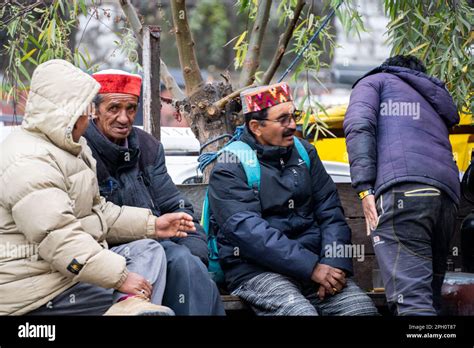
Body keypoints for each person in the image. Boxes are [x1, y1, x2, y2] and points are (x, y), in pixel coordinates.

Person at [0, 59, 197, 316]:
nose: (88, 118)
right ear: (68, 112)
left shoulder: (69, 148)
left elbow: (97, 212)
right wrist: (120, 277)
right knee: (144, 284)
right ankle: (127, 306)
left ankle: (129, 305)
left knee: (148, 250)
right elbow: (59, 239)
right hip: (39, 293)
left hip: (67, 275)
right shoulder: (29, 160)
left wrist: (152, 225)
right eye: (85, 110)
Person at [207, 82, 378, 316]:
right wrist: (310, 268)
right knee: (300, 313)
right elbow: (249, 232)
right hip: (256, 271)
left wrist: (334, 265)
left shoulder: (305, 153)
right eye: (283, 119)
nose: (293, 125)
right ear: (256, 126)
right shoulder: (230, 165)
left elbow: (331, 213)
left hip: (317, 267)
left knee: (361, 312)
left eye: (294, 115)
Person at [83, 69, 225, 315]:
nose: (124, 118)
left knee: (189, 262)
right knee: (179, 261)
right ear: (94, 110)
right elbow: (92, 219)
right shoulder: (83, 148)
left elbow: (176, 206)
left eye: (130, 108)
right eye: (114, 108)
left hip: (161, 244)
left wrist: (194, 250)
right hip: (110, 253)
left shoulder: (147, 146)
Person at [343, 55, 460, 315]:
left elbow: (359, 126)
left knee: (413, 303)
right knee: (428, 297)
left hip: (404, 192)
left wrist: (364, 189)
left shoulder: (374, 82)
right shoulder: (432, 99)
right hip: (447, 197)